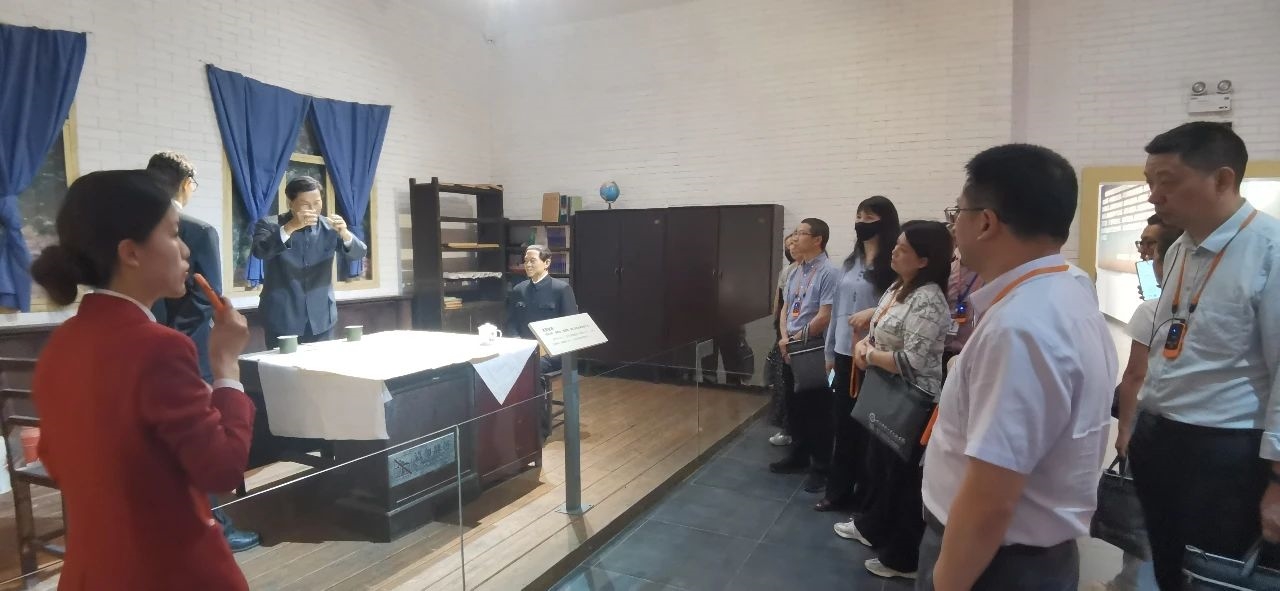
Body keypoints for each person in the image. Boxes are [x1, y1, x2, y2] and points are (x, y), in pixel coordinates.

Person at [30, 170, 253, 589]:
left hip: (93, 570)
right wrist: (226, 366)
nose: (186, 250)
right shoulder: (159, 347)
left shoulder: (61, 343)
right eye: (173, 234)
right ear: (130, 252)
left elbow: (57, 459)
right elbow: (222, 471)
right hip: (168, 570)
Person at [918, 144, 1118, 590]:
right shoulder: (1066, 292)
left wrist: (946, 582)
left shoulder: (1019, 327)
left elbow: (991, 498)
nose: (954, 226)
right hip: (1023, 557)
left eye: (957, 213)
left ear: (986, 222)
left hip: (994, 564)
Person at [1125, 121, 1280, 590]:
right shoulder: (1180, 249)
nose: (1154, 196)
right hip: (1161, 437)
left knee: (1216, 576)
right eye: (1150, 182)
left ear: (1222, 179)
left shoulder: (1269, 250)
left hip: (1226, 451)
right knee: (1168, 568)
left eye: (1167, 182)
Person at [145, 151, 260, 553]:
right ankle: (215, 527)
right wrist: (177, 340)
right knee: (201, 441)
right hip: (190, 348)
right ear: (185, 184)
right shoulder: (197, 230)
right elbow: (204, 297)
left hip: (142, 340)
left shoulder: (128, 228)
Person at [837, 220, 952, 580]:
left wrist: (869, 355)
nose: (894, 252)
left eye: (903, 249)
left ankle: (903, 558)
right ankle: (872, 527)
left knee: (902, 479)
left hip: (911, 399)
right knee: (879, 467)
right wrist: (864, 345)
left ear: (924, 260)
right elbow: (879, 330)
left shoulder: (928, 298)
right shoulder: (899, 287)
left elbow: (912, 361)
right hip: (884, 389)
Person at [1099, 215, 1179, 591]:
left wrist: (1125, 431)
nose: (1145, 253)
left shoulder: (1154, 309)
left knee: (1146, 512)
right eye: (1142, 243)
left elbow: (1135, 375)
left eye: (1151, 246)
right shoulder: (1156, 296)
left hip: (1159, 423)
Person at [815, 195, 899, 513]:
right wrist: (829, 352)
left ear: (884, 222)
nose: (862, 223)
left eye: (869, 217)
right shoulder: (850, 263)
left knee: (869, 429)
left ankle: (867, 494)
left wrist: (873, 313)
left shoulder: (892, 264)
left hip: (875, 356)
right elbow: (838, 310)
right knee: (843, 424)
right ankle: (837, 491)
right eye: (859, 216)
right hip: (843, 351)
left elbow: (900, 307)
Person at [252, 175, 367, 349]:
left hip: (322, 318)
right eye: (305, 204)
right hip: (282, 317)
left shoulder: (329, 227)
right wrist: (290, 227)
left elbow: (358, 253)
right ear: (290, 203)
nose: (313, 209)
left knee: (321, 365)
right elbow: (260, 251)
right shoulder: (269, 224)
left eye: (317, 203)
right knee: (282, 366)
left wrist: (345, 233)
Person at [770, 218, 838, 494]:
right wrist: (784, 337)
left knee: (818, 410)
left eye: (801, 233)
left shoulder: (829, 272)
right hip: (791, 346)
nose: (795, 238)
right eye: (795, 233)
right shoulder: (795, 270)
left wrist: (795, 340)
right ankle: (798, 455)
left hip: (813, 349)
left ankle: (821, 467)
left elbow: (825, 315)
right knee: (794, 405)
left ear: (818, 239)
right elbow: (786, 308)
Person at [506, 244, 579, 440]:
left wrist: (546, 347)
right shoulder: (519, 289)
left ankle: (538, 430)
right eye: (525, 261)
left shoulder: (561, 289)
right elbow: (511, 323)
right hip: (524, 349)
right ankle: (513, 421)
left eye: (533, 261)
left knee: (532, 367)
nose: (527, 265)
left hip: (553, 352)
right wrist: (517, 342)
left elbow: (571, 326)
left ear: (546, 263)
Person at [767, 232, 799, 446]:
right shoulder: (787, 272)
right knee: (781, 377)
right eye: (788, 246)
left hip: (804, 335)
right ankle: (785, 424)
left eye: (795, 243)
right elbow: (780, 301)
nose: (791, 248)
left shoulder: (819, 271)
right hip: (785, 330)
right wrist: (779, 325)